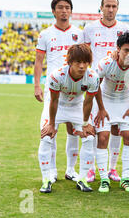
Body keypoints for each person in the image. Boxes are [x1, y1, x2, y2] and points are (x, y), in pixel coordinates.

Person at [34, 0, 84, 184]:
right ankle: (52, 170)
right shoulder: (45, 34)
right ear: (54, 11)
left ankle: (71, 170)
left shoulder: (79, 33)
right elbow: (39, 61)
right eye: (60, 7)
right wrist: (37, 85)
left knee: (73, 130)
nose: (64, 11)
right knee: (50, 129)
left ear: (71, 11)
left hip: (75, 90)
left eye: (67, 7)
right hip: (53, 89)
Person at [39, 44, 100, 193]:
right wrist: (52, 124)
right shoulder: (57, 75)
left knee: (89, 137)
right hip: (57, 105)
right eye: (78, 62)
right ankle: (46, 178)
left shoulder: (93, 77)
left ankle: (82, 177)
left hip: (77, 106)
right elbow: (53, 101)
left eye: (85, 62)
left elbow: (88, 101)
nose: (82, 66)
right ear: (69, 62)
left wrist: (85, 124)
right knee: (46, 136)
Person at [84, 0, 129, 183]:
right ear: (101, 8)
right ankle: (91, 168)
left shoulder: (124, 28)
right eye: (107, 6)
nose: (110, 9)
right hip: (96, 83)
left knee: (116, 128)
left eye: (114, 6)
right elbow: (86, 54)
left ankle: (112, 168)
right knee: (93, 127)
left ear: (117, 8)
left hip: (118, 86)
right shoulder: (90, 28)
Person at [93, 32, 129, 192]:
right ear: (118, 49)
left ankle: (125, 179)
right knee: (102, 137)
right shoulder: (106, 63)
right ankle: (104, 179)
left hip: (125, 102)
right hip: (106, 101)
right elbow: (95, 85)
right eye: (126, 50)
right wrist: (101, 109)